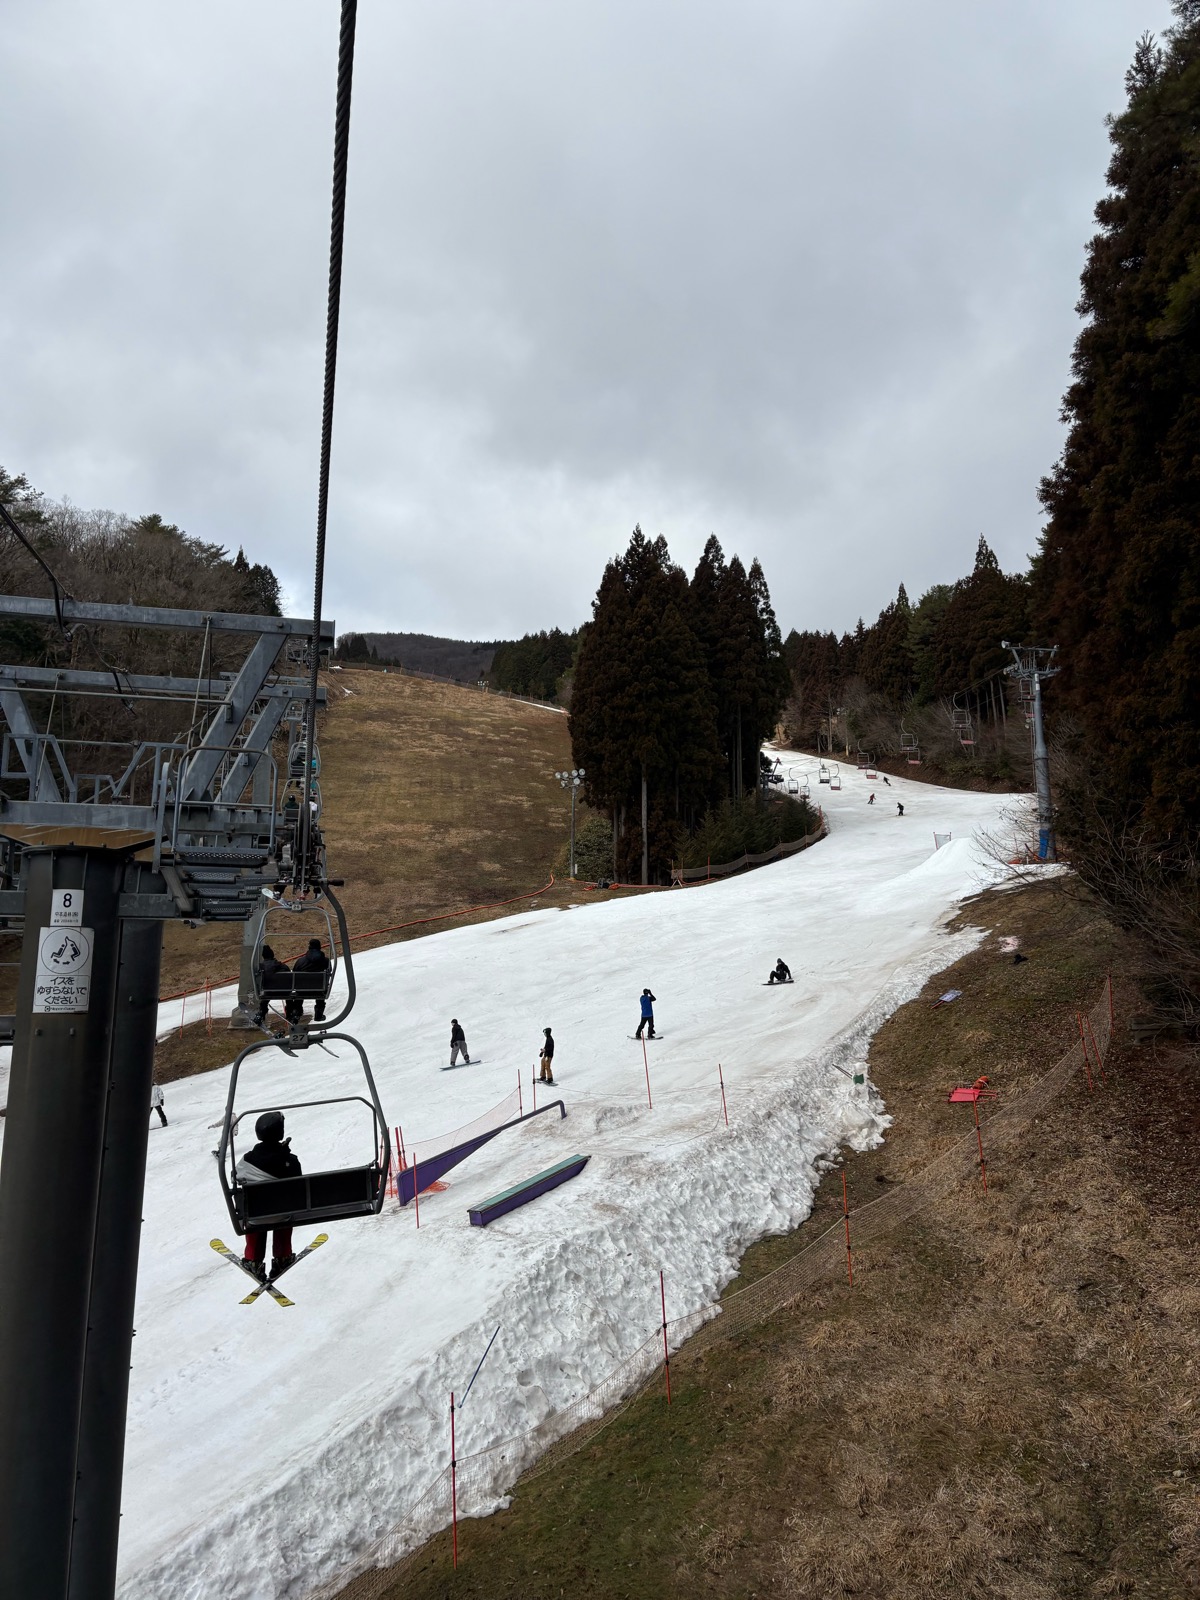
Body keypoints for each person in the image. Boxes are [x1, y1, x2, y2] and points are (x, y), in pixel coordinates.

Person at [237, 1110, 301, 1279]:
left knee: (255, 1212)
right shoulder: (290, 1161)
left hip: (255, 1216)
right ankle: (283, 1256)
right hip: (283, 1216)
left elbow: (237, 1175)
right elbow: (297, 1182)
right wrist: (284, 1156)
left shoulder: (247, 1159)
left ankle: (253, 1260)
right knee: (284, 1209)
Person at [291, 936, 331, 1023]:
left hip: (302, 991)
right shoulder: (326, 961)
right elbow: (329, 974)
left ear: (309, 947)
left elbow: (294, 973)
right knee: (321, 987)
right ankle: (318, 1015)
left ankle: (297, 1013)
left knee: (299, 991)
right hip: (319, 991)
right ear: (320, 947)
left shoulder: (300, 961)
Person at [255, 944, 290, 1026]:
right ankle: (291, 1013)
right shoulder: (282, 966)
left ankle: (261, 1013)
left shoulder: (260, 968)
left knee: (264, 1001)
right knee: (289, 998)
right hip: (283, 991)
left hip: (269, 991)